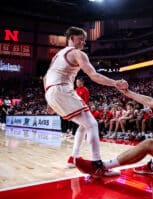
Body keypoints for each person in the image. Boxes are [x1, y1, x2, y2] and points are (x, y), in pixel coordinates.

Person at [43, 26, 128, 172]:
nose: (83, 42)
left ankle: (73, 157)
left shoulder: (58, 55)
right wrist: (115, 83)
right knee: (93, 125)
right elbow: (94, 75)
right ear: (71, 38)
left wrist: (49, 101)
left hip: (51, 91)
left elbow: (45, 77)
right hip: (62, 89)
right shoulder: (77, 53)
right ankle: (97, 165)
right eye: (80, 39)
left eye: (84, 39)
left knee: (84, 125)